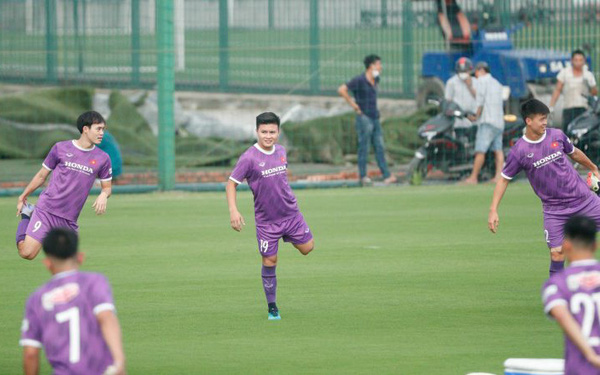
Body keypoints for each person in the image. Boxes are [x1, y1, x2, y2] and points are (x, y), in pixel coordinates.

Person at [488, 99, 600, 276]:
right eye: (541, 119)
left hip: (584, 200)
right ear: (528, 121)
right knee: (557, 253)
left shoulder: (556, 135)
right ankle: (556, 295)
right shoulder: (520, 151)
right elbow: (503, 180)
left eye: (546, 118)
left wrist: (593, 167)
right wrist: (493, 210)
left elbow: (575, 153)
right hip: (555, 211)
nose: (545, 122)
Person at [226, 112, 315, 320]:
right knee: (270, 260)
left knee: (307, 248)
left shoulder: (282, 151)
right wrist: (233, 210)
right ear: (257, 131)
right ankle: (272, 306)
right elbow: (231, 183)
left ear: (278, 132)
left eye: (272, 132)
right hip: (267, 221)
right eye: (264, 132)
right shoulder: (249, 157)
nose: (268, 136)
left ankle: (287, 236)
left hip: (291, 214)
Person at [20, 228, 125, 375]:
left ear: (47, 263)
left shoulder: (36, 299)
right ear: (80, 257)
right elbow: (106, 318)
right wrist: (119, 361)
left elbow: (30, 353)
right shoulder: (95, 282)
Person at [15, 111, 112, 260]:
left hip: (69, 219)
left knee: (67, 262)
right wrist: (24, 195)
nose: (102, 133)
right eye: (98, 129)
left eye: (103, 129)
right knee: (27, 253)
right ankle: (27, 216)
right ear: (85, 129)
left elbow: (107, 187)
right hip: (47, 210)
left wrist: (103, 195)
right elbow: (42, 175)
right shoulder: (60, 148)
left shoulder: (103, 158)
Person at [542, 215, 600, 374]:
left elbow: (562, 316)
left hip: (580, 368)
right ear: (595, 245)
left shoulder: (557, 284)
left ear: (566, 245)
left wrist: (591, 355)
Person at [338, 54, 397, 185]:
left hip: (375, 117)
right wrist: (354, 106)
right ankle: (363, 176)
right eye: (378, 64)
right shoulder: (359, 80)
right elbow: (342, 90)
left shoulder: (376, 80)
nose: (380, 67)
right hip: (364, 117)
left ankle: (386, 174)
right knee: (364, 147)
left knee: (379, 147)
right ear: (371, 66)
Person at [464, 61, 505, 184]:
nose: (475, 75)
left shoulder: (482, 81)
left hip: (487, 121)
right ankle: (499, 176)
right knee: (498, 149)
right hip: (499, 121)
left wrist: (475, 116)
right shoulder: (497, 83)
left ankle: (473, 177)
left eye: (476, 72)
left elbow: (480, 100)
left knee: (480, 150)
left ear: (481, 70)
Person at [549, 49, 598, 132]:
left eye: (580, 60)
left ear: (584, 61)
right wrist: (551, 106)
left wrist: (591, 86)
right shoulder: (565, 73)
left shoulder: (588, 75)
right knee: (567, 132)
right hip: (569, 108)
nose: (578, 63)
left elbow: (594, 93)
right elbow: (557, 89)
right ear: (572, 61)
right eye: (576, 60)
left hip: (583, 108)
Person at [445, 57, 477, 123]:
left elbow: (479, 98)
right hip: (458, 119)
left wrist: (469, 86)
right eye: (461, 72)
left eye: (465, 71)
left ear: (470, 71)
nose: (463, 74)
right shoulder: (451, 82)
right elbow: (448, 100)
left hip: (472, 118)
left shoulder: (476, 82)